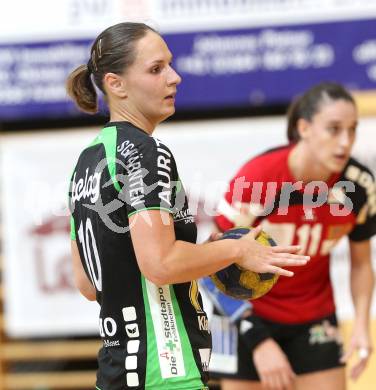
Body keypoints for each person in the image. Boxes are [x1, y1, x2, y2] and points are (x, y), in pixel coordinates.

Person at [66, 22, 309, 390]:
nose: (175, 77)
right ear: (116, 84)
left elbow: (88, 283)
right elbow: (161, 265)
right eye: (156, 69)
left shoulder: (86, 161)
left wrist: (207, 256)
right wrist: (236, 249)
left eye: (170, 64)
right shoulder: (146, 152)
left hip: (116, 373)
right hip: (166, 372)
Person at [212, 82, 376, 390]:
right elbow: (211, 268)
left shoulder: (358, 187)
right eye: (334, 129)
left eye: (352, 130)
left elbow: (362, 264)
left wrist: (362, 326)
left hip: (313, 315)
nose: (345, 142)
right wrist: (259, 342)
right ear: (304, 128)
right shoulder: (259, 179)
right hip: (245, 313)